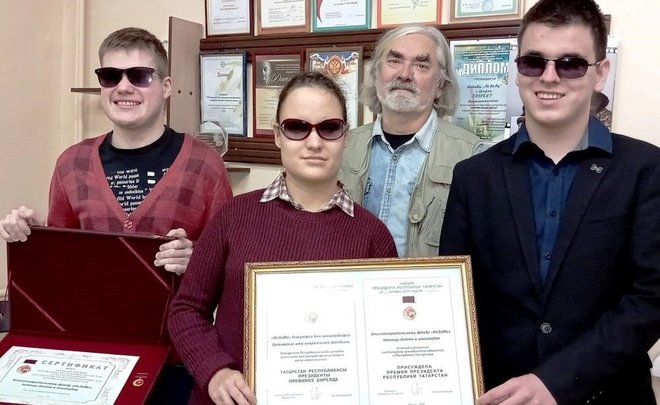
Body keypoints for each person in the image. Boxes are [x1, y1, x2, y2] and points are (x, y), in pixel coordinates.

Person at [439, 1, 660, 404]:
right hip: (501, 396)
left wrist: (556, 381)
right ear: (517, 68)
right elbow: (456, 298)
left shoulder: (646, 170)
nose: (549, 76)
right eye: (534, 62)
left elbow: (651, 298)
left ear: (600, 73)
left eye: (571, 64)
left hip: (611, 395)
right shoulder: (473, 177)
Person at [0, 27, 233, 404]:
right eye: (110, 76)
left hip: (177, 362)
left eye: (140, 76)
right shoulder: (72, 164)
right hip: (90, 362)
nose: (124, 87)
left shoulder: (205, 167)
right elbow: (62, 271)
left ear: (167, 86)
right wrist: (32, 240)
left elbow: (230, 270)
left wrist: (197, 260)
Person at [168, 71, 398, 405]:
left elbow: (387, 338)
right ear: (278, 135)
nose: (314, 142)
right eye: (297, 127)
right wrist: (215, 371)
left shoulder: (373, 236)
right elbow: (187, 309)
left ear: (345, 136)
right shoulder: (234, 216)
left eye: (329, 127)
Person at [339, 23, 482, 258]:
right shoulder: (342, 146)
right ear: (376, 74)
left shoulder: (472, 156)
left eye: (421, 65)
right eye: (394, 60)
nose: (404, 74)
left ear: (440, 85)